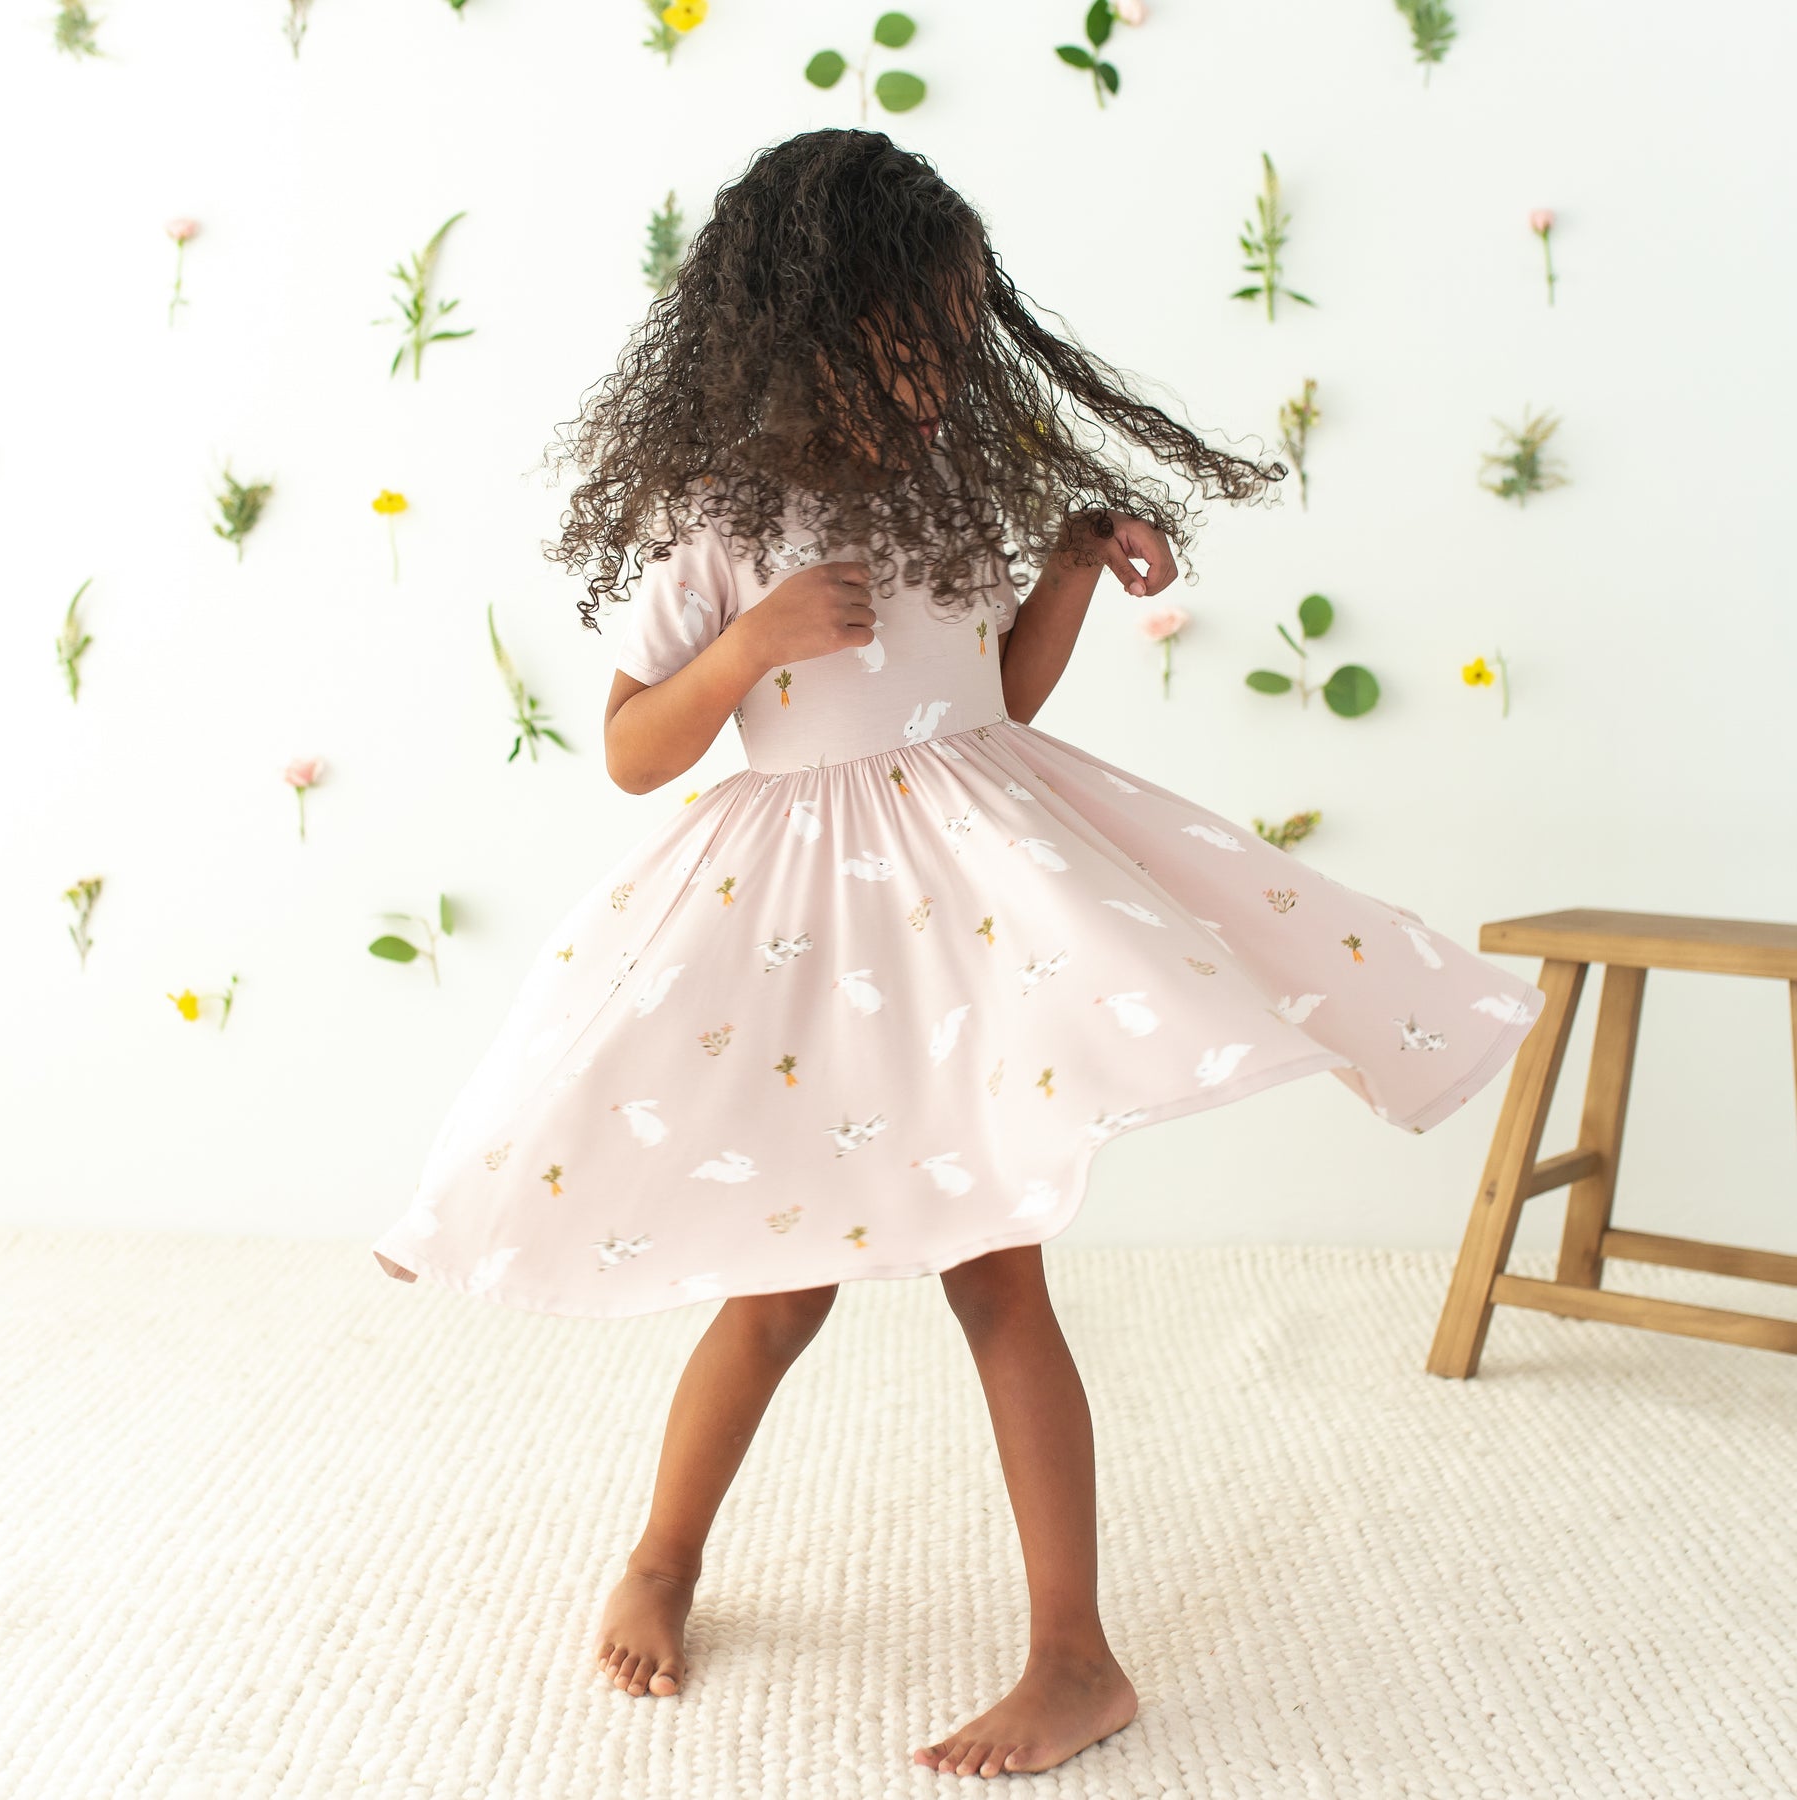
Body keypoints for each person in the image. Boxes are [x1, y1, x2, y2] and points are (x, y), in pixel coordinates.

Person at [370, 127, 1546, 1778]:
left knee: (1004, 1271)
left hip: (968, 915)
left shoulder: (956, 492)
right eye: (924, 320)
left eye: (968, 316)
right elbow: (638, 748)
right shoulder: (718, 511)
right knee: (779, 1293)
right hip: (795, 928)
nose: (952, 352)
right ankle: (665, 1554)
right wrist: (757, 645)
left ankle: (1076, 1654)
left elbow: (996, 698)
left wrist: (1064, 567)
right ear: (813, 324)